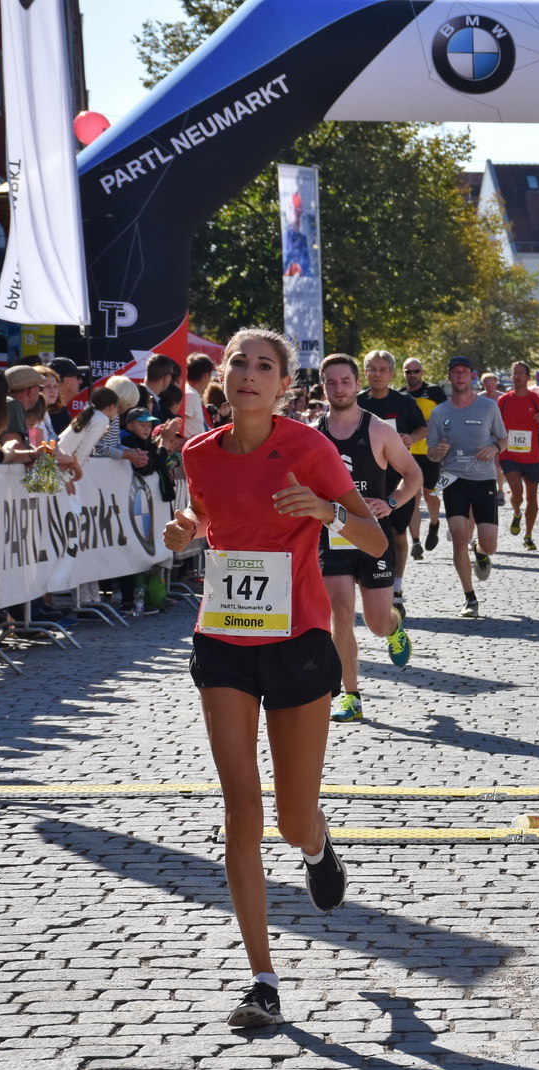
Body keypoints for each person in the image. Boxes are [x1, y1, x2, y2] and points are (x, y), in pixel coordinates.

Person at [163, 327, 389, 1027]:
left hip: (297, 640)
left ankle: (317, 844)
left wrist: (327, 512)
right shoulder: (199, 452)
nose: (249, 374)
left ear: (284, 385)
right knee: (241, 809)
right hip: (223, 638)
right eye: (239, 362)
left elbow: (374, 536)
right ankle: (262, 978)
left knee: (291, 821)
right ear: (222, 376)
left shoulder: (309, 447)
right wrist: (187, 526)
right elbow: (208, 511)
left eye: (265, 366)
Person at [317, 353, 421, 723]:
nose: (339, 388)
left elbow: (413, 475)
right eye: (331, 382)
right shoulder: (313, 434)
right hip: (333, 539)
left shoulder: (378, 429)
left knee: (376, 622)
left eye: (345, 381)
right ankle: (352, 695)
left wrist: (390, 503)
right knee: (341, 614)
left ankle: (394, 625)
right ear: (323, 386)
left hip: (373, 539)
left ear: (357, 384)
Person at [427, 355, 508, 619]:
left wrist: (493, 448)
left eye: (465, 371)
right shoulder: (440, 412)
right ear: (450, 376)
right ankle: (470, 598)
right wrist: (437, 452)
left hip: (484, 480)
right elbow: (431, 453)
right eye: (455, 371)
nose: (460, 375)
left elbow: (503, 439)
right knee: (458, 539)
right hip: (454, 481)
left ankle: (480, 552)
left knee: (490, 545)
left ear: (471, 376)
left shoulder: (488, 407)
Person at [355, 350, 426, 601]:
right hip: (366, 479)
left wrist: (411, 438)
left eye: (382, 369)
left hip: (398, 479)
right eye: (372, 369)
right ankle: (370, 584)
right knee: (364, 533)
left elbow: (422, 428)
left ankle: (396, 585)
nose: (377, 374)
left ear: (392, 373)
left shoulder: (404, 401)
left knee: (397, 535)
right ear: (365, 373)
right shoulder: (357, 402)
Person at [497, 360, 539, 550]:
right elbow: (493, 423)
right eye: (514, 373)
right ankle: (517, 512)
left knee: (532, 497)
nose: (517, 376)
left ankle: (528, 535)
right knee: (516, 490)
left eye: (521, 373)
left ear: (528, 377)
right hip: (508, 454)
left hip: (531, 455)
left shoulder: (537, 400)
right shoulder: (504, 401)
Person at [402, 357, 448, 556]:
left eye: (416, 371)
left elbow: (448, 415)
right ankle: (415, 541)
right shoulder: (400, 395)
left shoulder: (434, 391)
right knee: (412, 497)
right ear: (403, 373)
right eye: (408, 371)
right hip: (408, 453)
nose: (412, 375)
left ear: (422, 372)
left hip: (430, 452)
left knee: (430, 495)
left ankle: (434, 524)